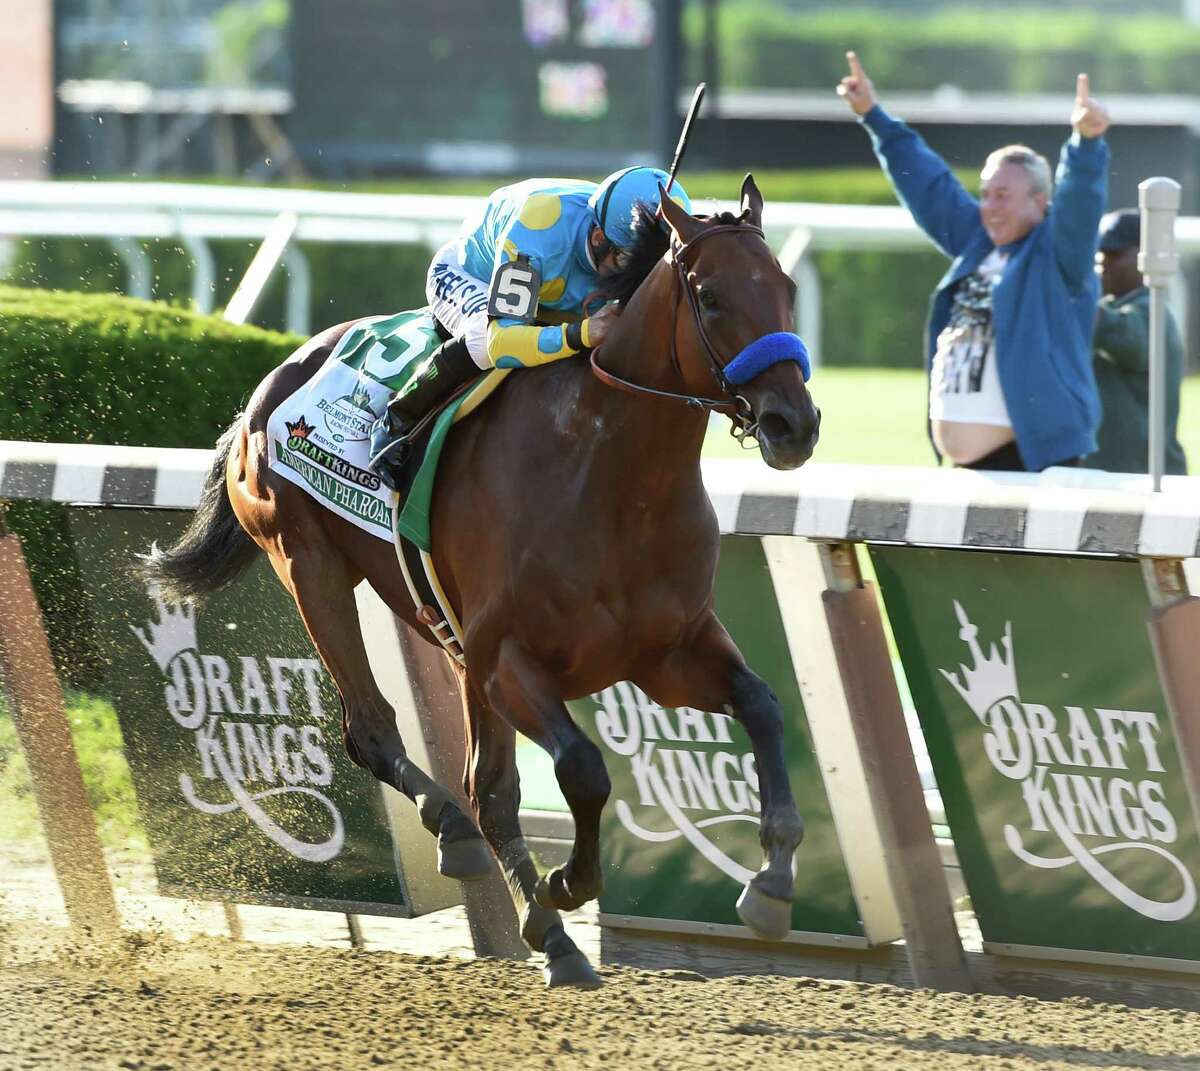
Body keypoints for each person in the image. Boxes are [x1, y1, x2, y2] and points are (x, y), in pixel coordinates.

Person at [836, 53, 1111, 472]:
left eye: (1003, 195)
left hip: (1033, 464)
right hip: (969, 469)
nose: (989, 207)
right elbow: (931, 185)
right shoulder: (978, 241)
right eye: (984, 193)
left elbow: (1080, 200)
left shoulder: (1058, 256)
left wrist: (1086, 144)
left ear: (1040, 202)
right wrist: (873, 116)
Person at [368, 167, 692, 483]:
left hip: (549, 295)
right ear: (597, 237)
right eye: (626, 262)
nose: (633, 276)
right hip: (470, 276)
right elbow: (502, 341)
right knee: (482, 340)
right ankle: (396, 420)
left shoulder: (618, 241)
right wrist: (582, 333)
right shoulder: (539, 230)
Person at [1087, 208, 1187, 475]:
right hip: (1120, 475)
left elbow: (1128, 339)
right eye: (1100, 253)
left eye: (1115, 253)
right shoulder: (1110, 305)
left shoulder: (1151, 309)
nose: (1102, 262)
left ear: (1147, 256)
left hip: (1143, 478)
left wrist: (1073, 299)